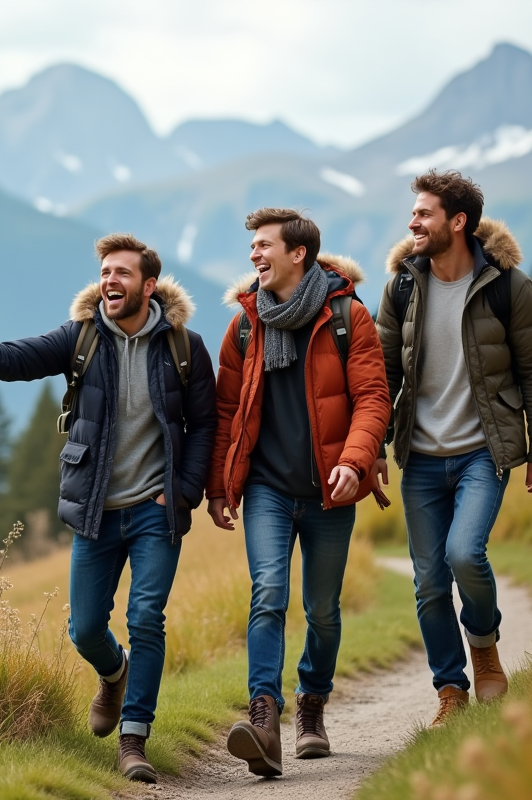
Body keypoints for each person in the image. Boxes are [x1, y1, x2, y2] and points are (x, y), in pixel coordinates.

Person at [0, 233, 216, 783]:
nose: (110, 280)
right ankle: (114, 674)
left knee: (146, 618)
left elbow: (204, 423)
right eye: (105, 271)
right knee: (85, 629)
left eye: (123, 273)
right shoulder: (80, 339)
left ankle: (134, 740)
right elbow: (7, 360)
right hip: (96, 510)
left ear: (149, 286)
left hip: (157, 508)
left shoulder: (184, 347)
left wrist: (183, 491)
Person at [206, 208, 391, 777]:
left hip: (331, 490)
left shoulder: (347, 318)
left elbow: (373, 399)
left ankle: (312, 703)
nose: (255, 256)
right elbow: (227, 412)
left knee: (323, 610)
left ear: (298, 254)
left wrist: (356, 462)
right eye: (253, 248)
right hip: (267, 489)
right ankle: (264, 719)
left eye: (264, 246)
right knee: (268, 594)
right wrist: (219, 486)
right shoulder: (243, 327)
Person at [375, 169, 532, 727]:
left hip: (484, 451)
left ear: (457, 222)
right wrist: (371, 448)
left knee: (463, 554)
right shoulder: (402, 285)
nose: (413, 223)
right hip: (423, 457)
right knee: (429, 581)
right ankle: (450, 691)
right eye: (414, 213)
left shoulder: (507, 286)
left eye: (425, 213)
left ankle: (483, 643)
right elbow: (379, 376)